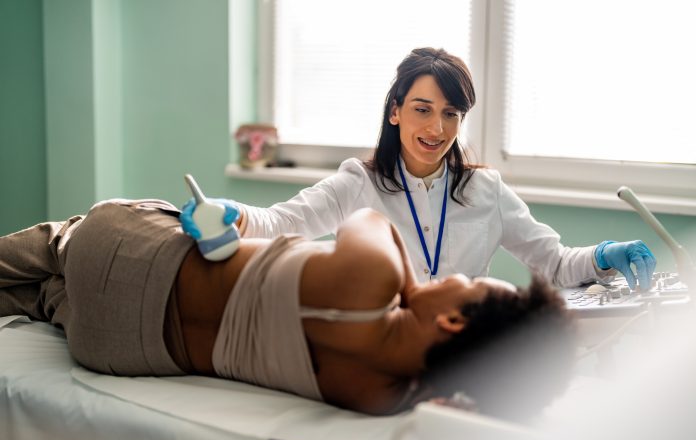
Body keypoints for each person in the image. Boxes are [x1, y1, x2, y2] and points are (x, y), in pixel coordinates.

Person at [0, 199, 576, 420]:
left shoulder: (373, 277)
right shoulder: (381, 395)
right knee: (43, 297)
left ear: (452, 320)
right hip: (120, 349)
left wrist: (409, 284)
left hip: (128, 257)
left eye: (467, 283)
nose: (452, 277)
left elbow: (369, 216)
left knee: (59, 245)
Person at [182, 47, 656, 290]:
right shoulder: (359, 182)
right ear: (396, 111)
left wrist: (605, 253)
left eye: (452, 113)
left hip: (464, 345)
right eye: (423, 109)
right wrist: (232, 214)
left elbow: (552, 263)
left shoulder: (484, 189)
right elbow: (286, 222)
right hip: (387, 343)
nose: (438, 127)